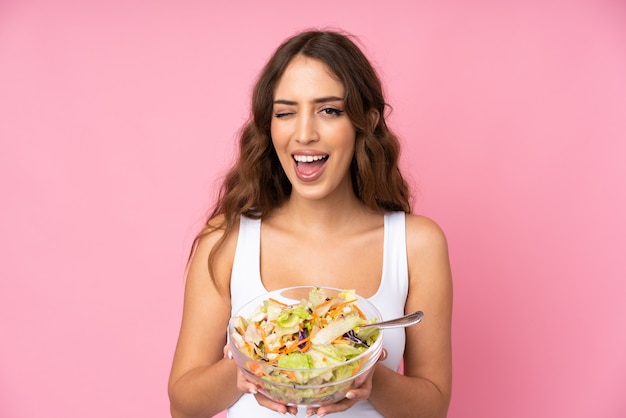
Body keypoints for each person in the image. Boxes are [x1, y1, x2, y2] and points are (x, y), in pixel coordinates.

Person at [168, 29, 453, 418]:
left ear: (365, 121)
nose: (304, 134)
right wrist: (245, 364)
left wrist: (367, 373)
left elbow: (433, 408)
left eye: (329, 110)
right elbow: (183, 404)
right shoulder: (227, 239)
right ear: (269, 127)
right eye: (285, 113)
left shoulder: (416, 243)